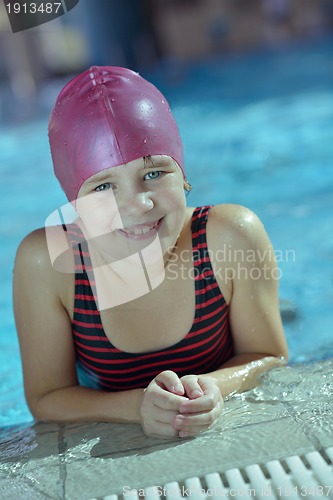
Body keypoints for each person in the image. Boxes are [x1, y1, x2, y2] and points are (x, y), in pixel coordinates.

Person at [13, 66, 288, 439]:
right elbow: (48, 397)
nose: (138, 204)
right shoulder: (49, 262)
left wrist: (216, 388)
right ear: (74, 203)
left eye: (155, 173)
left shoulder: (231, 236)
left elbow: (268, 356)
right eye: (103, 186)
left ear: (184, 176)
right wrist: (136, 406)